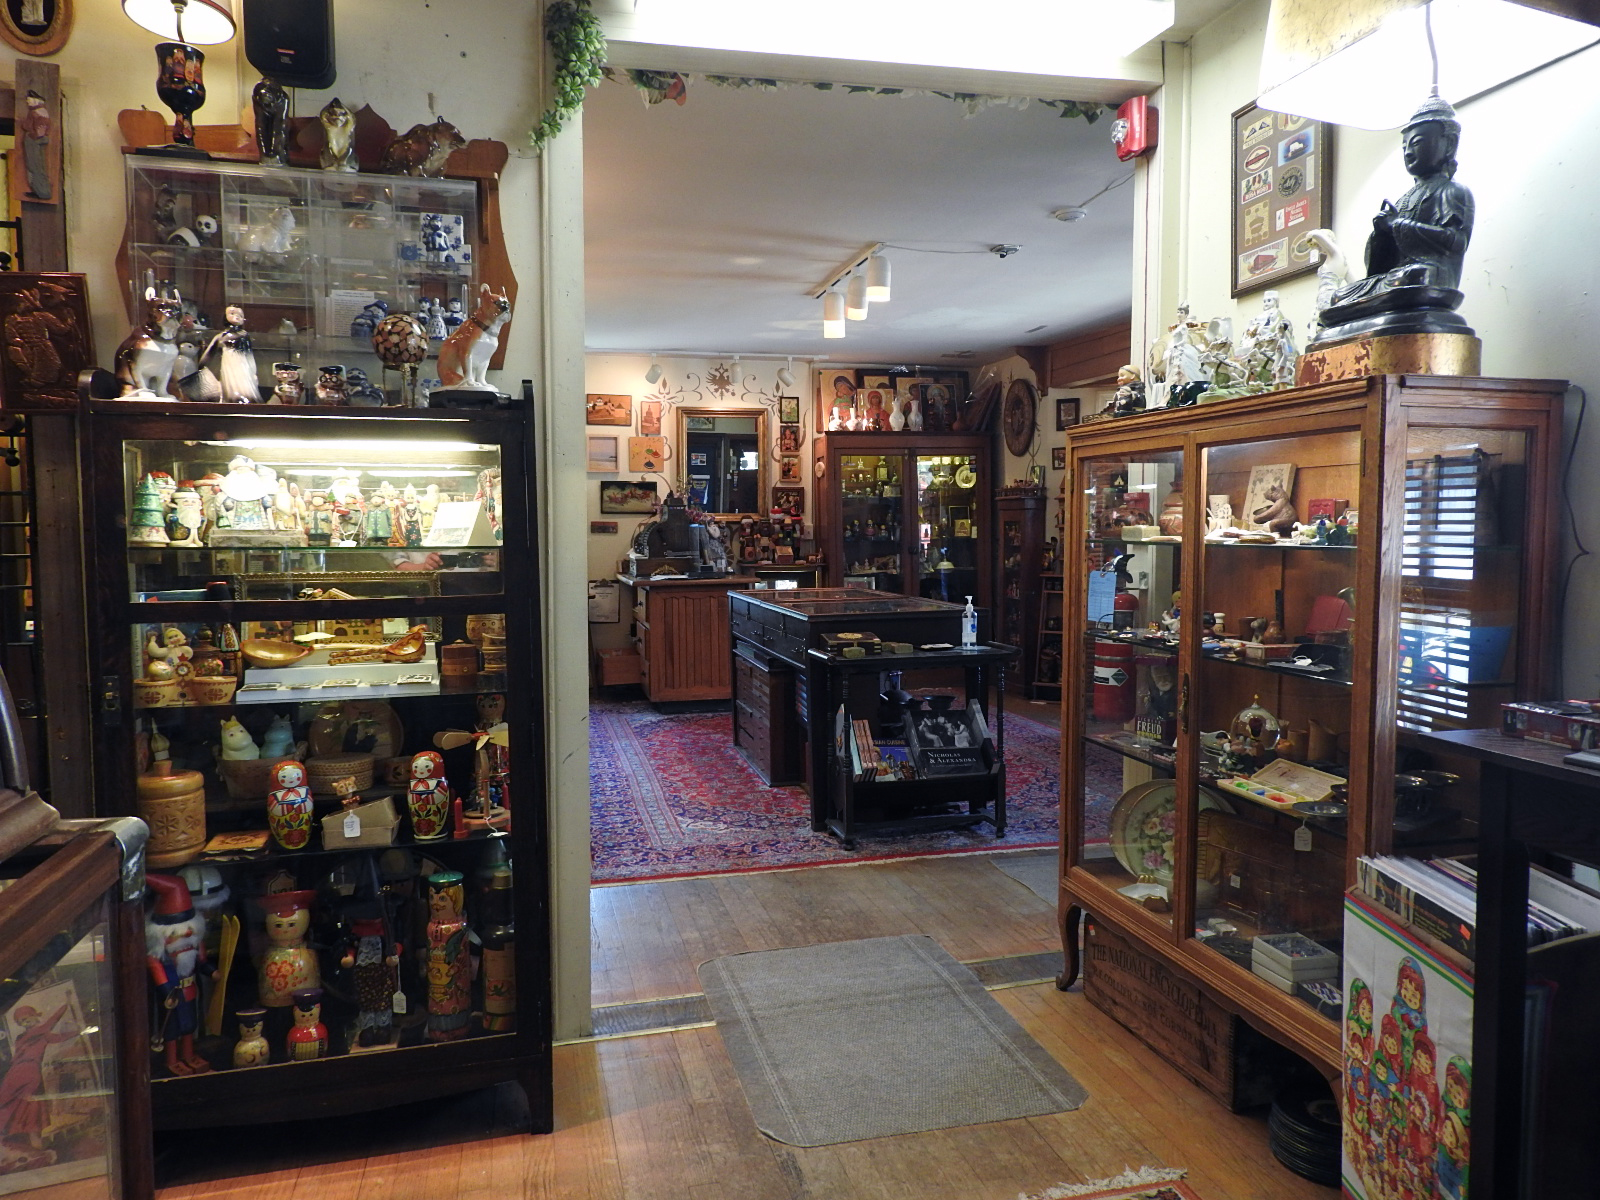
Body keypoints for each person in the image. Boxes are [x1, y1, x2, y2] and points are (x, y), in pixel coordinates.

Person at [1315, 91, 1474, 340]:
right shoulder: (1404, 199)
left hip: (1430, 275)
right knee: (1341, 295)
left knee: (1413, 277)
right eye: (1405, 147)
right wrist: (1382, 235)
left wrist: (1397, 225)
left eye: (1417, 143)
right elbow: (1383, 264)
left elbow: (1455, 241)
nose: (1408, 152)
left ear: (1449, 143)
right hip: (1395, 279)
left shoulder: (1452, 191)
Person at [19, 90, 51, 202]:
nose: (27, 102)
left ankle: (42, 192)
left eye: (29, 100)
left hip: (33, 141)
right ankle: (38, 190)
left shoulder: (36, 112)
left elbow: (31, 127)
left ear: (35, 100)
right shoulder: (38, 112)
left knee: (35, 166)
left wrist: (34, 135)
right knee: (35, 166)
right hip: (34, 140)